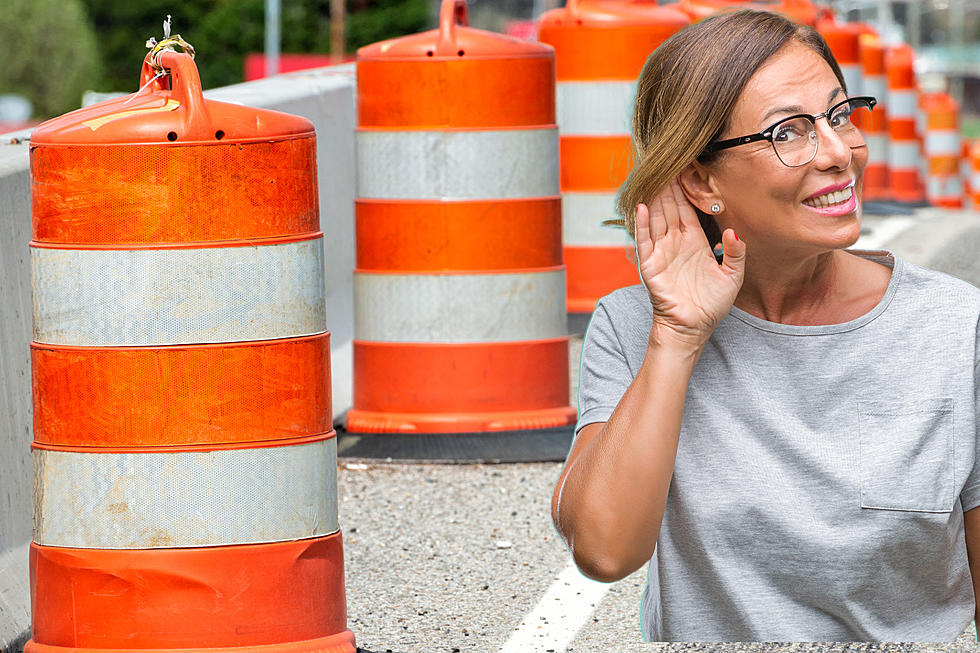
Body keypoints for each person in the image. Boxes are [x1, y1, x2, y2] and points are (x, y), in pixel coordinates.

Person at [551, 9, 980, 642]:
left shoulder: (956, 328)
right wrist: (678, 338)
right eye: (789, 132)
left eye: (838, 116)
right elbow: (605, 551)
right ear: (701, 179)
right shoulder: (635, 326)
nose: (839, 153)